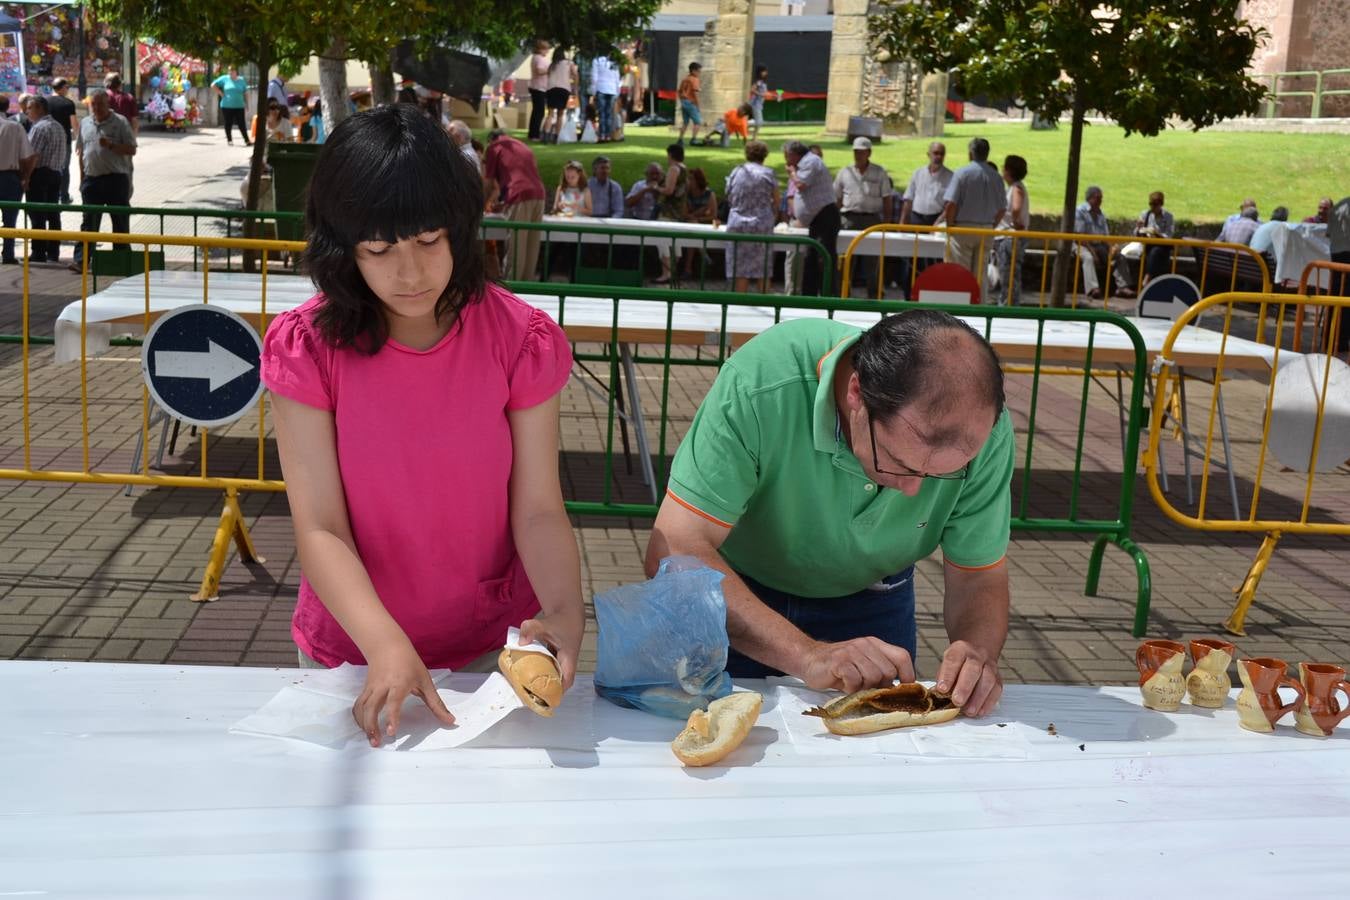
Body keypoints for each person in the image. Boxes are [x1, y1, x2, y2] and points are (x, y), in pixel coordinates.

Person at [260, 105, 582, 747]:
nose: (409, 273)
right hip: (355, 652)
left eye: (430, 241)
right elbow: (319, 524)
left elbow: (539, 508)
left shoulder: (518, 339)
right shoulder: (308, 346)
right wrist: (384, 643)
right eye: (378, 249)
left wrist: (567, 615)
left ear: (461, 229)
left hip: (489, 650)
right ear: (342, 246)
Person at [645, 309, 1013, 717]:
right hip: (736, 594)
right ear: (856, 392)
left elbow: (978, 573)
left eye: (944, 473)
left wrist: (976, 650)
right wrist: (807, 655)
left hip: (874, 598)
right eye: (898, 462)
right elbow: (675, 549)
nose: (913, 489)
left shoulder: (982, 429)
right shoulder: (765, 379)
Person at [69, 89, 136, 272]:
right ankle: (81, 260)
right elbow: (81, 152)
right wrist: (82, 180)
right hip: (92, 180)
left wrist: (112, 145)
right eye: (94, 104)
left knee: (120, 222)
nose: (96, 108)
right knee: (89, 222)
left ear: (108, 104)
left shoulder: (120, 122)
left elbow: (132, 149)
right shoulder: (85, 123)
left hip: (116, 179)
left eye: (100, 104)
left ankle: (121, 261)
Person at [937, 137, 1005, 289]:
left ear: (970, 154)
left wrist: (950, 224)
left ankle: (959, 305)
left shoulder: (962, 173)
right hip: (986, 228)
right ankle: (979, 307)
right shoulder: (996, 177)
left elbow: (951, 203)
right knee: (980, 275)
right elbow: (1002, 208)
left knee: (959, 273)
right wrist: (992, 225)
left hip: (963, 228)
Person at [483, 129, 547, 281]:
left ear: (491, 140)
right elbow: (521, 175)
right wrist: (506, 203)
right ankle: (528, 289)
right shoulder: (522, 146)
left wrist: (482, 205)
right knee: (532, 246)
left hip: (519, 195)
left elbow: (489, 183)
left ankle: (512, 290)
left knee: (516, 248)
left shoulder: (494, 147)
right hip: (540, 195)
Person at [835, 136, 893, 297]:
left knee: (872, 259)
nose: (858, 155)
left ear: (869, 152)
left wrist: (887, 224)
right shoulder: (844, 172)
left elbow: (887, 198)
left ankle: (874, 295)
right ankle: (843, 294)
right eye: (855, 152)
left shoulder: (879, 172)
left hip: (872, 220)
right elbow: (837, 198)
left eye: (861, 152)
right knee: (846, 259)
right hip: (848, 218)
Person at [723, 139, 779, 293]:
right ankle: (764, 303)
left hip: (738, 223)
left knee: (740, 270)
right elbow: (776, 201)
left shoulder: (737, 171)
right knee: (763, 269)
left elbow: (729, 195)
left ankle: (740, 305)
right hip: (762, 224)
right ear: (765, 156)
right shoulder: (769, 173)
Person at [785, 139, 839, 296]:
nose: (786, 161)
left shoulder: (810, 161)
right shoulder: (805, 163)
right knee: (811, 258)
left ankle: (829, 296)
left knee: (824, 258)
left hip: (825, 216)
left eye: (787, 156)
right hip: (814, 218)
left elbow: (801, 184)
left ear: (793, 154)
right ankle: (809, 294)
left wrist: (792, 173)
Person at [1071, 186, 1135, 300]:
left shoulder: (1101, 214)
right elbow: (1080, 237)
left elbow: (1105, 236)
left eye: (1101, 198)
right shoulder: (1080, 211)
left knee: (1119, 257)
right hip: (1081, 244)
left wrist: (1112, 248)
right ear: (1090, 198)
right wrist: (1093, 252)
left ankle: (1122, 287)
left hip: (1099, 245)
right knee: (1088, 258)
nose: (1100, 201)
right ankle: (1093, 289)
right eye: (1098, 198)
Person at [23, 95, 66, 263]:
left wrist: (26, 177)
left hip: (40, 174)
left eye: (29, 108)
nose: (27, 112)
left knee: (38, 214)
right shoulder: (58, 127)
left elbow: (32, 156)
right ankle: (53, 252)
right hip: (56, 174)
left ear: (39, 108)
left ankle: (38, 252)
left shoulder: (40, 128)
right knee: (53, 214)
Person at [991, 154, 1029, 306]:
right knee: (1009, 274)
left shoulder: (1016, 188)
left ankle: (1008, 304)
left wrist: (1016, 222)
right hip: (1008, 236)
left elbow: (1016, 208)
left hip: (1009, 237)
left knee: (1009, 274)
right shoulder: (1015, 187)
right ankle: (1009, 302)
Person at [0, 107, 35, 264]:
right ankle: (8, 254)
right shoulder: (14, 127)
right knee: (10, 219)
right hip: (9, 177)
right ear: (7, 108)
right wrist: (25, 177)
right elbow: (26, 156)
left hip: (10, 176)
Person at [653, 143, 690, 284]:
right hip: (678, 211)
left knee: (662, 241)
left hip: (668, 211)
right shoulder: (684, 169)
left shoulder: (674, 169)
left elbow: (669, 190)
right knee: (675, 242)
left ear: (671, 155)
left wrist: (657, 187)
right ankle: (673, 271)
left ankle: (666, 273)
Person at [680, 167, 716, 280]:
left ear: (697, 180)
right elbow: (684, 214)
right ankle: (703, 254)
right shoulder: (686, 194)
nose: (688, 182)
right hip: (689, 224)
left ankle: (687, 269)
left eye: (691, 179)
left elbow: (713, 216)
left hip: (705, 224)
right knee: (693, 228)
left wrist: (698, 218)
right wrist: (701, 211)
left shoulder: (709, 194)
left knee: (693, 229)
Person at [1131, 190, 1175, 280]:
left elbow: (1169, 235)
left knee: (1155, 252)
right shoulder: (1145, 214)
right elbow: (1136, 234)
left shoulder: (1168, 217)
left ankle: (1147, 276)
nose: (1152, 207)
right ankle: (1148, 278)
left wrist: (1157, 234)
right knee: (1152, 252)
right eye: (1150, 204)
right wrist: (1139, 228)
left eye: (1155, 204)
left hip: (1162, 247)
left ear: (1161, 204)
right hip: (1147, 245)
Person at [46, 78, 77, 204]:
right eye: (67, 87)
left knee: (48, 167)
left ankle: (50, 196)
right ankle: (64, 196)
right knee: (64, 168)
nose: (68, 90)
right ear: (63, 88)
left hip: (48, 140)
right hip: (65, 141)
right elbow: (74, 124)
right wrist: (78, 139)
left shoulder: (45, 102)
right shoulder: (68, 103)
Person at [542, 48, 576, 144]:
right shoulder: (569, 63)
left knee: (550, 114)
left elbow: (548, 75)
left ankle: (546, 135)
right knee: (560, 115)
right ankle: (556, 137)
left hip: (551, 89)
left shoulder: (552, 65)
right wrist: (575, 86)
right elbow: (575, 74)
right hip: (564, 89)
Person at [212, 66, 251, 147]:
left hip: (239, 106)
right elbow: (213, 85)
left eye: (232, 71)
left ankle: (247, 140)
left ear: (236, 72)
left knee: (241, 124)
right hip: (227, 105)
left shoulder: (241, 80)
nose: (230, 72)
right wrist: (220, 93)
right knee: (228, 123)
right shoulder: (224, 78)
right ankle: (229, 140)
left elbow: (245, 93)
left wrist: (247, 104)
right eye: (229, 70)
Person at [590, 54, 620, 142]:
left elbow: (594, 77)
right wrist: (617, 92)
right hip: (612, 90)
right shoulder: (614, 63)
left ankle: (602, 135)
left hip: (601, 88)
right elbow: (617, 79)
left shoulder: (597, 61)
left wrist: (593, 91)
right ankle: (608, 135)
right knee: (609, 114)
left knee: (602, 114)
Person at [528, 39, 550, 142]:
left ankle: (533, 133)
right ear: (540, 49)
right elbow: (539, 70)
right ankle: (535, 135)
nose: (547, 51)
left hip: (537, 86)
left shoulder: (535, 57)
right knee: (539, 112)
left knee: (536, 111)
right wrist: (550, 69)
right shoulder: (539, 58)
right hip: (539, 87)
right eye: (546, 49)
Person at [677, 62, 702, 146]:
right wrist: (697, 105)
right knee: (698, 122)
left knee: (685, 122)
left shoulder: (685, 79)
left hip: (684, 102)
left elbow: (679, 91)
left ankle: (680, 139)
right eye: (698, 71)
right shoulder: (695, 79)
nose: (699, 73)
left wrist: (682, 101)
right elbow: (695, 93)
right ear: (693, 71)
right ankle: (693, 139)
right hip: (691, 102)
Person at [267, 73, 292, 139]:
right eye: (288, 74)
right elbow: (269, 101)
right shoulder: (273, 85)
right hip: (275, 114)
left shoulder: (283, 86)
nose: (290, 77)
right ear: (280, 74)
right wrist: (274, 109)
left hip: (283, 112)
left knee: (287, 135)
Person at [747, 65, 768, 139]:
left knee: (759, 122)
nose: (765, 73)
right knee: (759, 122)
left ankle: (754, 138)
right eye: (763, 71)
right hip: (755, 104)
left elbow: (764, 93)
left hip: (759, 104)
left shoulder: (762, 82)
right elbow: (752, 90)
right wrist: (761, 94)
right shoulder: (758, 82)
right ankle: (743, 125)